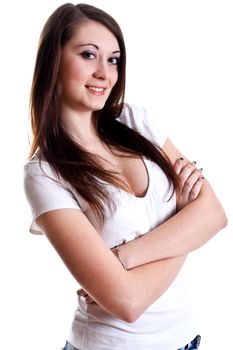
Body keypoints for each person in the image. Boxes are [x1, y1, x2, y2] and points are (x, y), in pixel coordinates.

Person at [24, 3, 227, 350]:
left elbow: (215, 215)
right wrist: (185, 227)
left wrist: (126, 257)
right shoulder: (44, 174)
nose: (105, 72)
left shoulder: (135, 122)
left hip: (186, 340)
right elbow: (127, 303)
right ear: (54, 61)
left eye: (113, 59)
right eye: (89, 55)